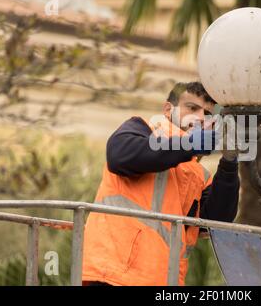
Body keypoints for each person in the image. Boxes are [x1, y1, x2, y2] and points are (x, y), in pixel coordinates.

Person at [82, 82, 240, 286]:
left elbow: (216, 222)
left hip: (163, 281)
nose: (200, 118)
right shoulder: (141, 129)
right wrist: (190, 144)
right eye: (192, 108)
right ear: (168, 110)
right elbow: (119, 156)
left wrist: (229, 162)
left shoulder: (200, 174)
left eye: (208, 114)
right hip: (112, 274)